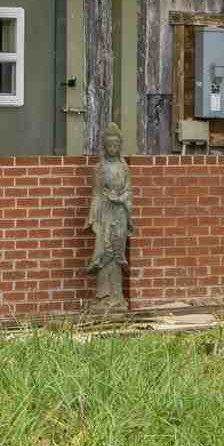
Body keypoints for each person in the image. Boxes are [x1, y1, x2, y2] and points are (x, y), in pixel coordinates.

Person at [86, 121, 132, 312]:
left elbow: (129, 192)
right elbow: (96, 194)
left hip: (120, 213)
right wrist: (93, 219)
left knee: (116, 252)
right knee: (104, 252)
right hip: (105, 212)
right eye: (109, 145)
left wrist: (120, 199)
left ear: (119, 146)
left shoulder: (124, 168)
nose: (113, 148)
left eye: (116, 145)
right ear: (105, 146)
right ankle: (102, 296)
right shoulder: (99, 168)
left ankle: (117, 296)